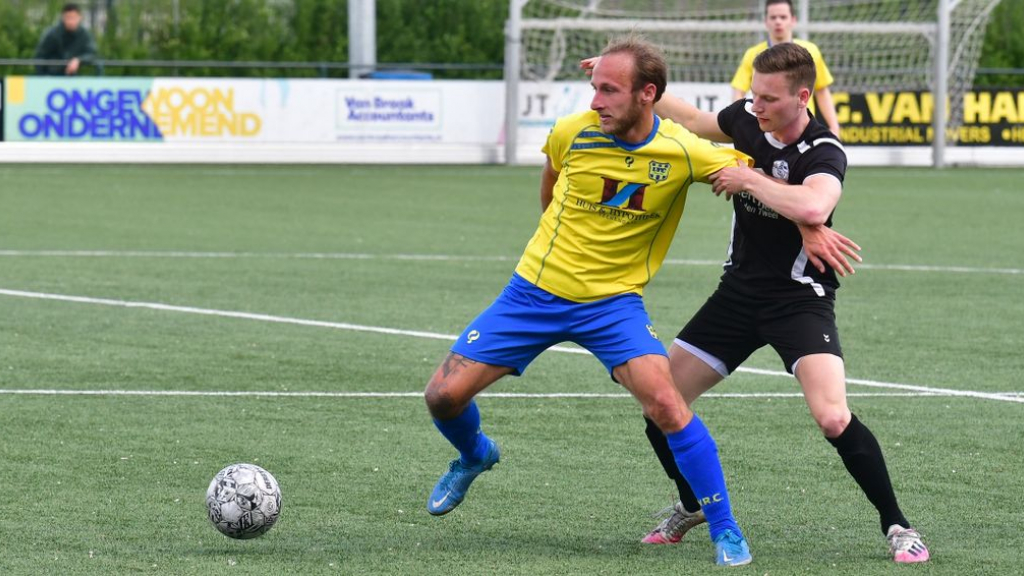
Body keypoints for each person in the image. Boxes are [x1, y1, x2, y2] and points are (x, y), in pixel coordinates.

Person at [423, 34, 755, 567]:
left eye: (610, 90)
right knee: (441, 397)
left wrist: (805, 219)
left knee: (668, 405)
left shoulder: (682, 150)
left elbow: (749, 169)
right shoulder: (572, 132)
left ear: (648, 94)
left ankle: (725, 528)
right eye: (594, 87)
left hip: (613, 306)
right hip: (532, 292)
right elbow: (552, 180)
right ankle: (475, 455)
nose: (596, 101)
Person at [594, 42, 928, 564]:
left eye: (768, 98)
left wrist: (750, 178)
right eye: (753, 96)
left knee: (833, 417)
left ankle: (898, 525)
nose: (756, 107)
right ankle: (691, 504)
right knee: (660, 405)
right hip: (737, 295)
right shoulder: (750, 118)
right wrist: (637, 89)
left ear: (803, 97)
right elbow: (699, 120)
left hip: (799, 300)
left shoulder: (824, 149)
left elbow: (815, 201)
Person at [731, 0, 841, 137]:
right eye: (773, 17)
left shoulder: (810, 51)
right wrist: (739, 123)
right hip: (766, 132)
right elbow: (738, 92)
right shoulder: (752, 54)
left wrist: (834, 127)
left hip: (802, 131)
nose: (778, 21)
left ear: (793, 20)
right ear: (766, 21)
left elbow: (822, 91)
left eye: (783, 17)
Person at [33, 3, 98, 76]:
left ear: (80, 17)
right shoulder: (52, 34)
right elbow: (40, 57)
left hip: (74, 77)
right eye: (68, 18)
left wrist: (79, 60)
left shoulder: (85, 35)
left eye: (74, 18)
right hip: (51, 76)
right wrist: (43, 77)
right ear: (63, 18)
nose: (71, 21)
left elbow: (92, 54)